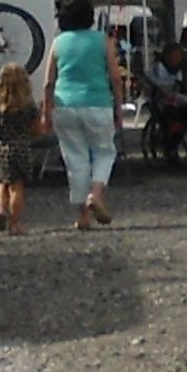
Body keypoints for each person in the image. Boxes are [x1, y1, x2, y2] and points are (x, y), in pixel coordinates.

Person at [47, 17, 119, 229]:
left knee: (75, 159)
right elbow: (115, 77)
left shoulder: (58, 42)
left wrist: (46, 110)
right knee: (104, 152)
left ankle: (83, 217)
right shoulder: (102, 40)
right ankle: (95, 195)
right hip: (97, 103)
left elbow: (49, 81)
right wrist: (118, 107)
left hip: (64, 104)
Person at [0, 59, 46, 235]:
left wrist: (1, 130)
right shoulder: (29, 106)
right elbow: (38, 130)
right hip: (21, 148)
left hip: (1, 149)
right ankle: (15, 223)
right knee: (16, 187)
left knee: (1, 183)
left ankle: (1, 209)